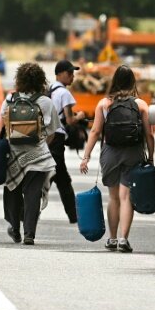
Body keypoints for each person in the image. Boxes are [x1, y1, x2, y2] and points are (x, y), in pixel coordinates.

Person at [79, 65, 155, 253]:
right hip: (133, 152)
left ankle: (112, 239)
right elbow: (149, 135)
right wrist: (151, 158)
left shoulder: (104, 104)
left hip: (110, 153)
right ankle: (123, 239)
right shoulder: (141, 105)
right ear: (132, 82)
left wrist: (86, 157)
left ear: (114, 81)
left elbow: (95, 131)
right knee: (126, 196)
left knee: (113, 198)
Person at [2, 62, 60, 246]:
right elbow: (52, 132)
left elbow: (3, 125)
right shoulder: (46, 102)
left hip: (13, 156)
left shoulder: (10, 100)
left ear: (19, 80)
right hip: (38, 157)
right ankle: (29, 234)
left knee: (12, 191)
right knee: (33, 195)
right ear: (41, 80)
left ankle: (14, 228)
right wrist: (40, 145)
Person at [48, 59, 87, 224]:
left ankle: (74, 216)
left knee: (52, 178)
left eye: (73, 73)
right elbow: (70, 120)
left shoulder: (49, 90)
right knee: (60, 180)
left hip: (46, 139)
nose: (72, 76)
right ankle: (74, 216)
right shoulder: (64, 93)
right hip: (56, 140)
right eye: (69, 73)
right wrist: (81, 116)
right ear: (60, 74)